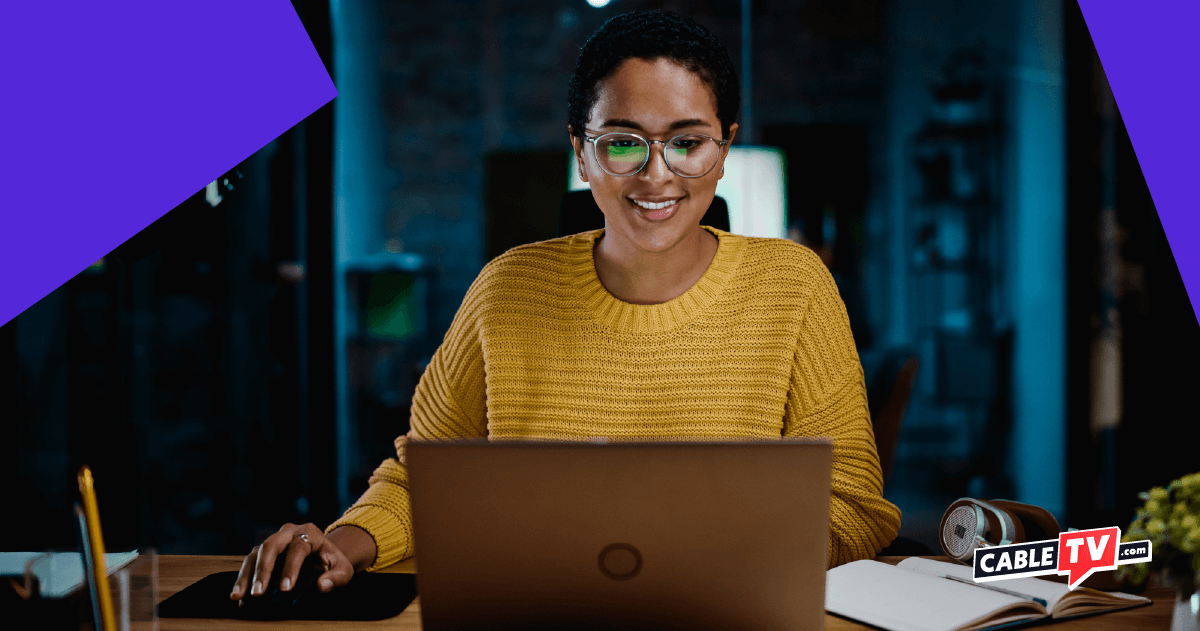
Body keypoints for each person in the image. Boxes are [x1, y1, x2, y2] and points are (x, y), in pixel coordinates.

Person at [231, 9, 901, 602]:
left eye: (688, 142)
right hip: (537, 612)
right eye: (623, 142)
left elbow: (853, 505)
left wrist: (717, 559)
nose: (657, 174)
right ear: (582, 151)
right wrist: (340, 544)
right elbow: (423, 480)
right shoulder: (504, 290)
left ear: (723, 149)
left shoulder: (795, 287)